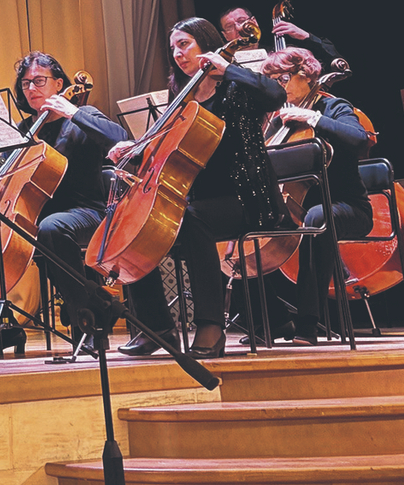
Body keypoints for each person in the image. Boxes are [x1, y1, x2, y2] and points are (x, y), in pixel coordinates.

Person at [108, 19, 287, 360]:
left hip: (247, 198)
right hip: (200, 202)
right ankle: (156, 327)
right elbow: (168, 148)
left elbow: (276, 95)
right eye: (173, 47)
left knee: (193, 220)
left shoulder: (235, 88)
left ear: (206, 44)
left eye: (184, 44)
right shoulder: (182, 96)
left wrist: (228, 68)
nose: (177, 53)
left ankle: (210, 326)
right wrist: (133, 149)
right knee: (137, 229)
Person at [0, 53, 127, 356]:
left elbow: (120, 138)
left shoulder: (83, 115)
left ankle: (88, 322)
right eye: (26, 83)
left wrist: (72, 113)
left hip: (84, 211)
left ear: (59, 83)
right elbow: (9, 177)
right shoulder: (23, 129)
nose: (31, 88)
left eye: (40, 81)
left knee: (51, 229)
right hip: (31, 216)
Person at [259, 47, 374, 342]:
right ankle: (274, 318)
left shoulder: (333, 107)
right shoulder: (278, 121)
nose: (278, 87)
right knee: (246, 228)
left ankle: (308, 323)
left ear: (307, 75)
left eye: (283, 78)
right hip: (296, 209)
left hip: (347, 207)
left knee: (317, 217)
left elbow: (359, 139)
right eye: (272, 81)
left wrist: (312, 118)